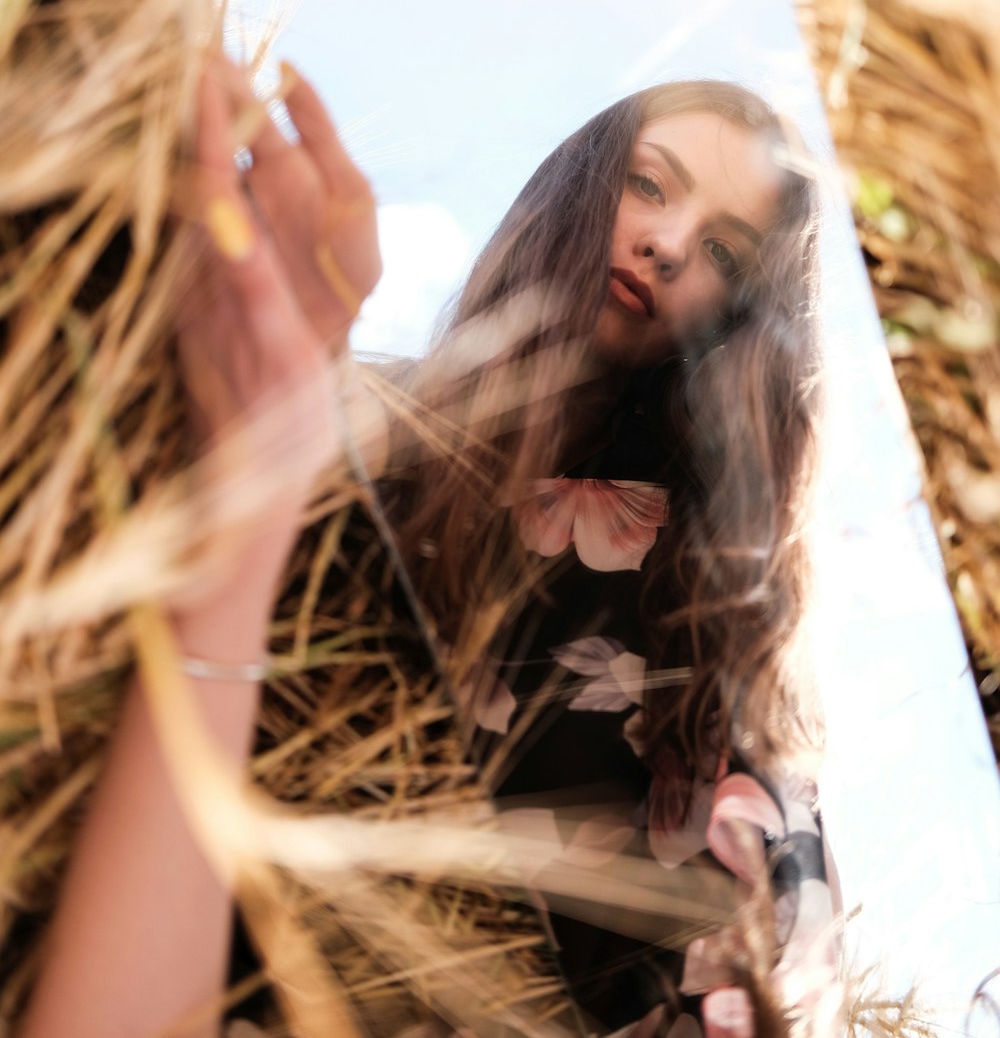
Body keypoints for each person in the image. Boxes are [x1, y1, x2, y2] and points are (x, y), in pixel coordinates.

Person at [17, 60, 841, 1038]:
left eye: (725, 254)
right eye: (647, 184)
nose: (664, 244)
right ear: (576, 183)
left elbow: (777, 952)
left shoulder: (714, 620)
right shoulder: (350, 411)